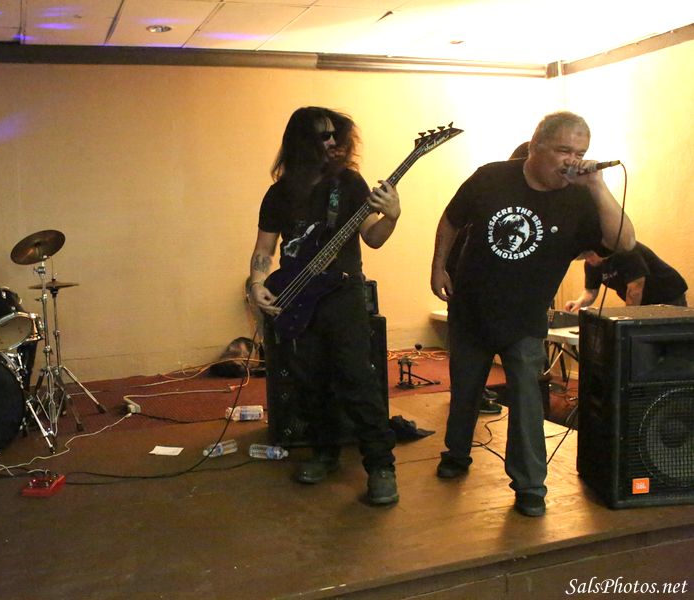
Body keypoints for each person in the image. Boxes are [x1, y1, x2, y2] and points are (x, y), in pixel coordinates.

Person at [430, 111, 635, 517]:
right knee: (465, 391)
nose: (573, 160)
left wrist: (597, 184)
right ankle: (456, 453)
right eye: (564, 150)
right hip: (470, 307)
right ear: (536, 146)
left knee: (526, 400)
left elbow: (624, 241)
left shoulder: (581, 197)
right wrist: (438, 267)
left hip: (525, 316)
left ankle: (529, 486)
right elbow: (451, 220)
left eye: (580, 152)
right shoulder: (491, 177)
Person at [249, 106, 402, 506]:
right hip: (297, 296)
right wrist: (257, 284)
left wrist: (392, 216)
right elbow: (265, 248)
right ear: (302, 142)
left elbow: (373, 238)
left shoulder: (348, 183)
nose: (333, 141)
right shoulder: (279, 193)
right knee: (309, 381)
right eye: (323, 135)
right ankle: (324, 453)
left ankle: (381, 466)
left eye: (336, 134)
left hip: (343, 294)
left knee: (357, 378)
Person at [445, 141, 531, 416]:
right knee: (470, 357)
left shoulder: (500, 195)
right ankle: (473, 396)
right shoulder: (495, 192)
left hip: (468, 285)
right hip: (471, 288)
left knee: (469, 358)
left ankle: (473, 395)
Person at [565, 242, 688, 311]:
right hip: (645, 302)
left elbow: (635, 290)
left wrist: (627, 317)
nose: (588, 260)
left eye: (591, 255)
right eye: (585, 257)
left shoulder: (626, 252)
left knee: (670, 342)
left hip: (668, 294)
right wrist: (579, 302)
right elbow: (590, 292)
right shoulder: (591, 265)